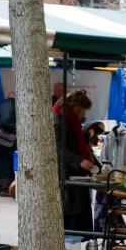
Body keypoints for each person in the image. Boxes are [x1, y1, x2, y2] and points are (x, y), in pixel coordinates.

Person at [54, 90, 99, 233]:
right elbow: (58, 147)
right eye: (79, 111)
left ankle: (79, 241)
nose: (81, 115)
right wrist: (79, 160)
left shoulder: (70, 121)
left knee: (78, 208)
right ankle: (73, 243)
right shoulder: (60, 122)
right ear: (71, 106)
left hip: (74, 171)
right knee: (72, 211)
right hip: (67, 172)